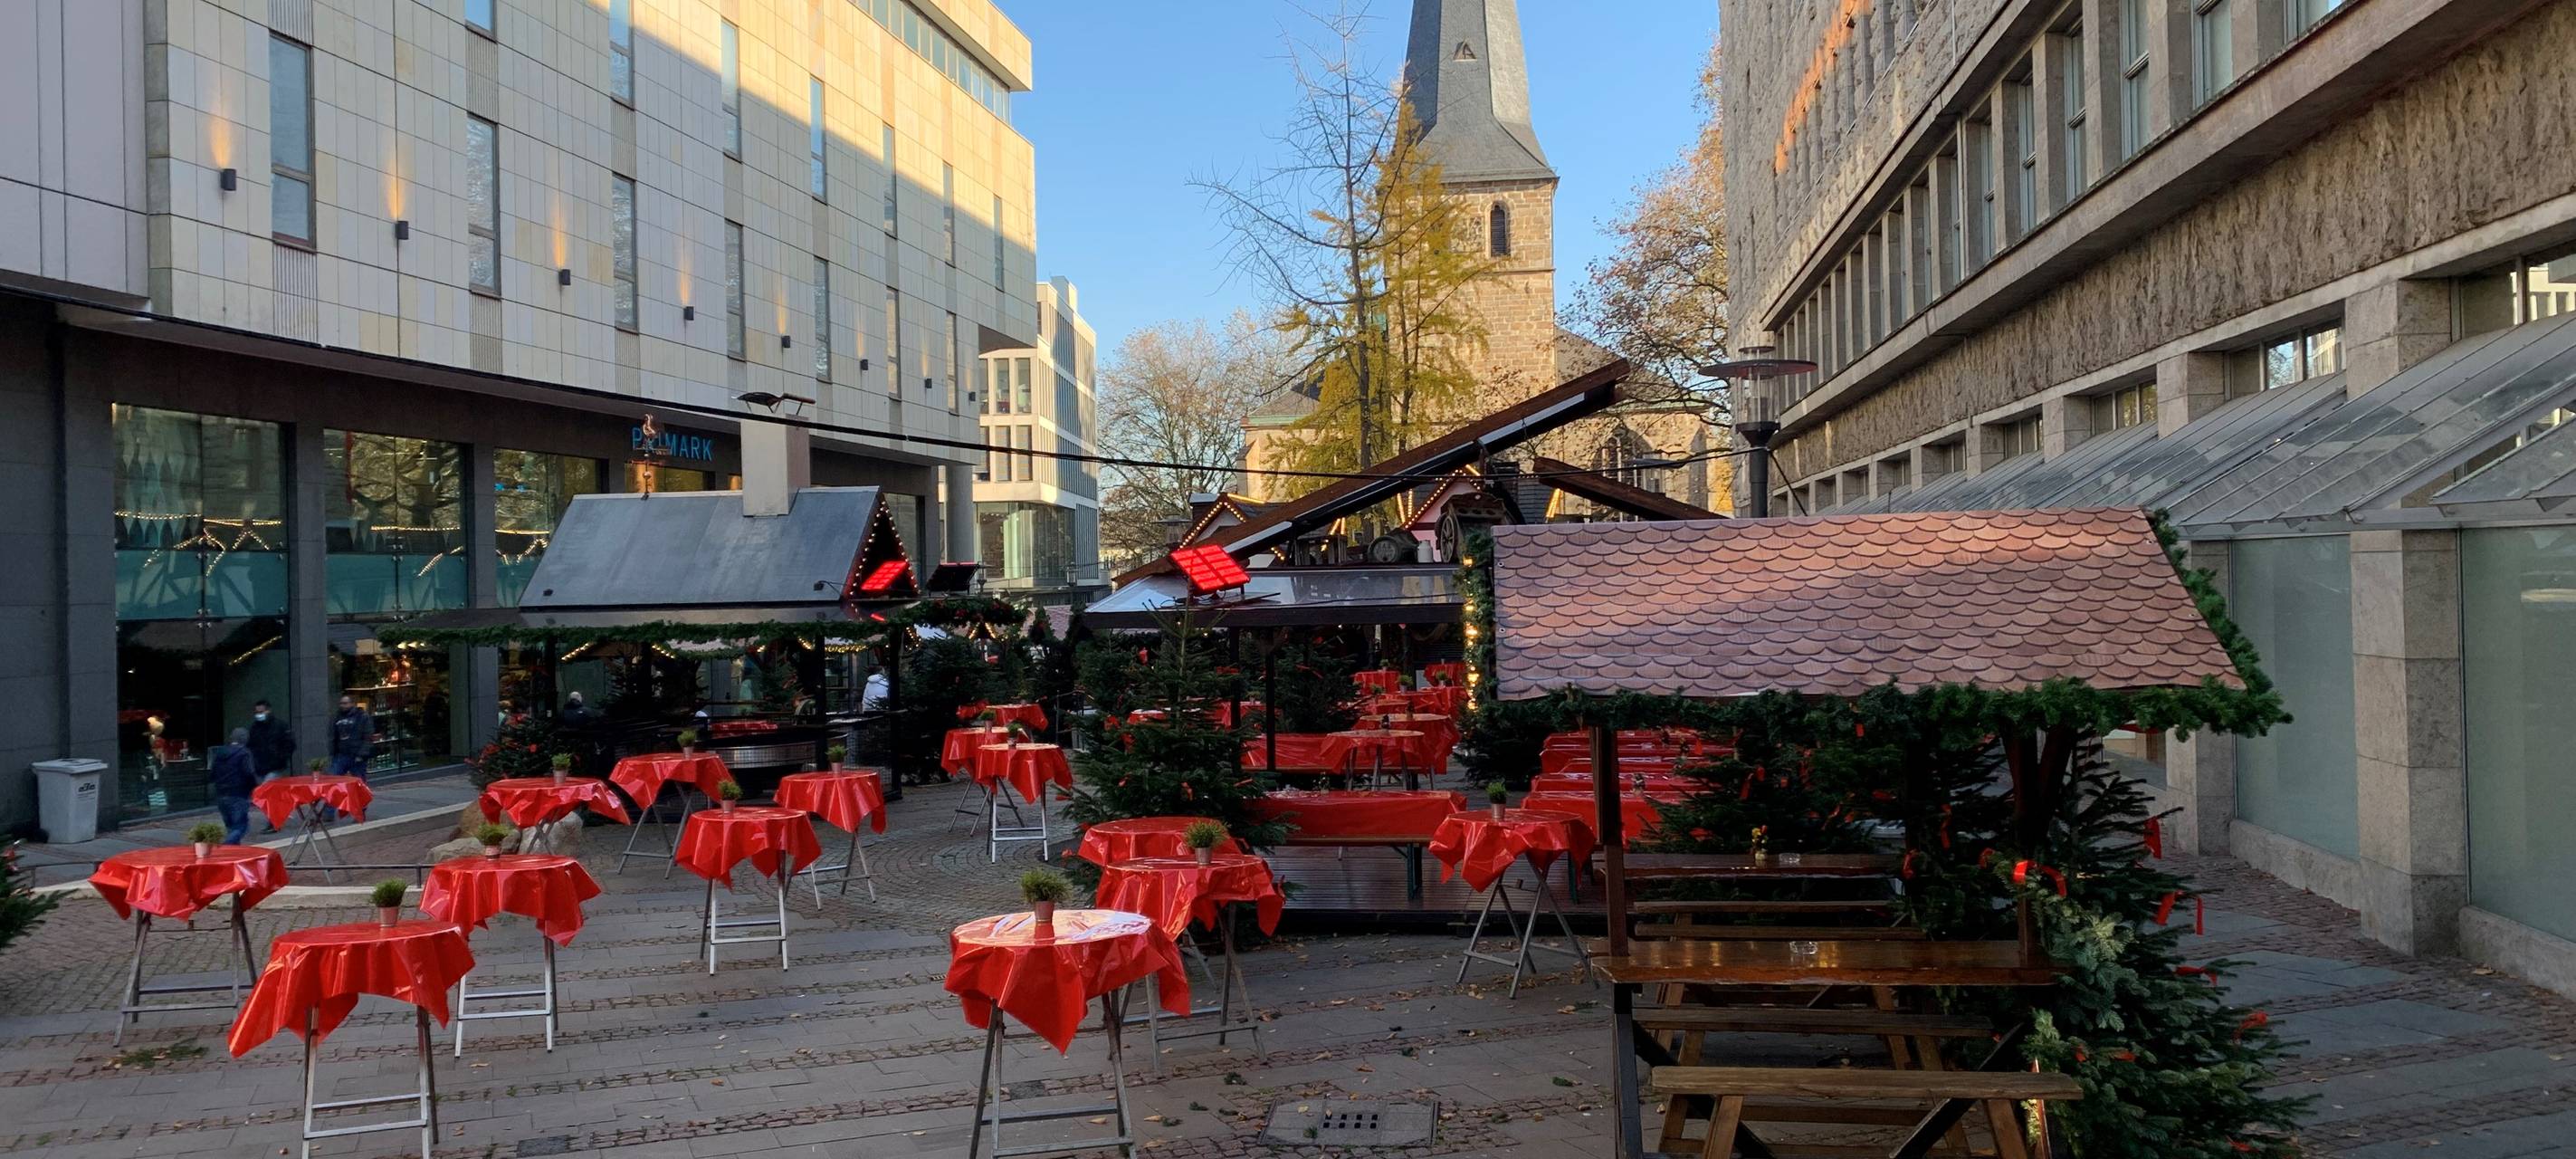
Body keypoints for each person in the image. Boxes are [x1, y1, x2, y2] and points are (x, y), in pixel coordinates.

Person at [244, 700, 295, 833]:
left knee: (268, 793)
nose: (258, 714)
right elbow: (250, 746)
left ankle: (274, 823)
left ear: (268, 710)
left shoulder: (280, 726)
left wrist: (280, 758)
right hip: (260, 767)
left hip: (274, 766)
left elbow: (290, 744)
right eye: (257, 712)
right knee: (265, 796)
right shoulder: (255, 727)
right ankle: (276, 819)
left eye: (261, 712)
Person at [208, 728, 258, 845]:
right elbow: (249, 773)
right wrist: (253, 787)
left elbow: (212, 773)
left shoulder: (220, 752)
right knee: (241, 826)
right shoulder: (244, 753)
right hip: (238, 793)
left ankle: (233, 852)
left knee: (230, 826)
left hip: (221, 793)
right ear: (245, 739)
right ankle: (227, 846)